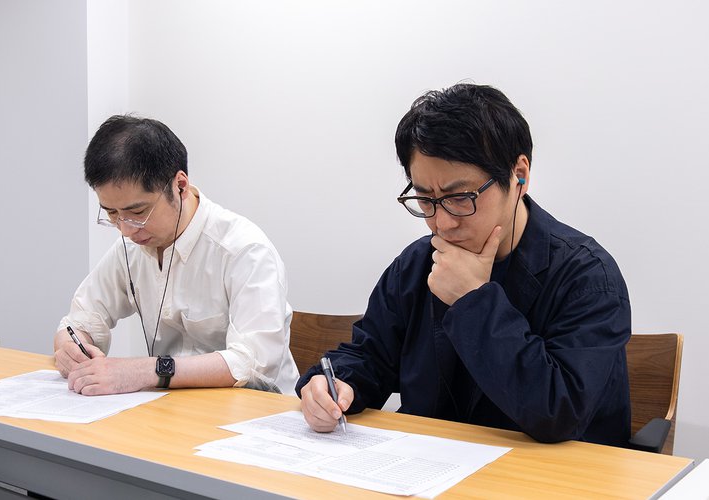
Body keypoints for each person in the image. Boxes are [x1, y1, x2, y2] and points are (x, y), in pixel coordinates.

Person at [297, 83, 632, 447]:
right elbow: (368, 355)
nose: (441, 223)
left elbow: (558, 413)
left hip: (551, 472)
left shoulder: (588, 277)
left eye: (459, 197)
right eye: (425, 198)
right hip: (431, 464)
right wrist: (335, 383)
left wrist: (474, 299)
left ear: (519, 175)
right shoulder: (416, 264)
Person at [54, 115, 299, 396]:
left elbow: (252, 364)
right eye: (111, 213)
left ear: (180, 186)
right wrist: (70, 347)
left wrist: (144, 371)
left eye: (137, 212)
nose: (125, 229)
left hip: (255, 410)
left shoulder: (244, 250)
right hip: (171, 409)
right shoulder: (132, 247)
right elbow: (79, 320)